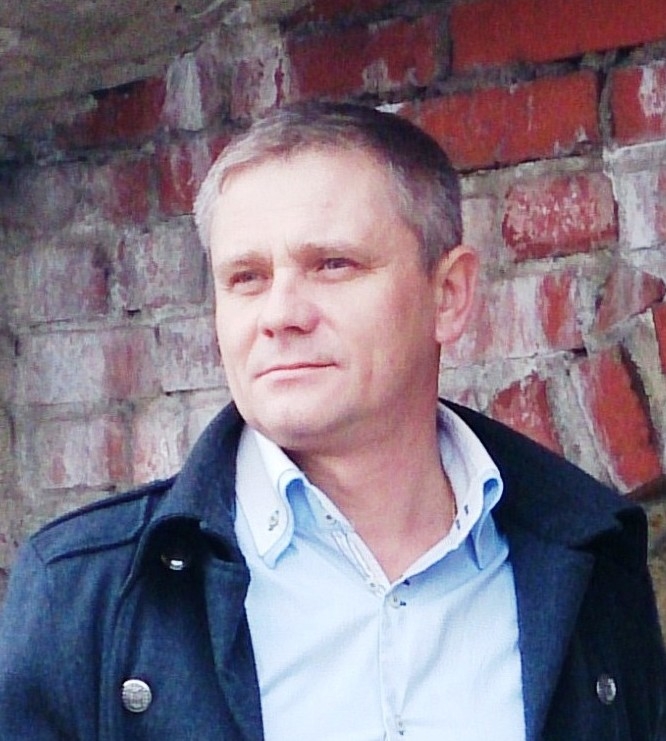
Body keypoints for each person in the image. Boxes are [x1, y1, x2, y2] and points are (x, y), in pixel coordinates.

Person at [0, 102, 664, 740]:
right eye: (246, 277)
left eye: (332, 265)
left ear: (449, 295)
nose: (281, 314)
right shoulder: (82, 593)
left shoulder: (592, 558)